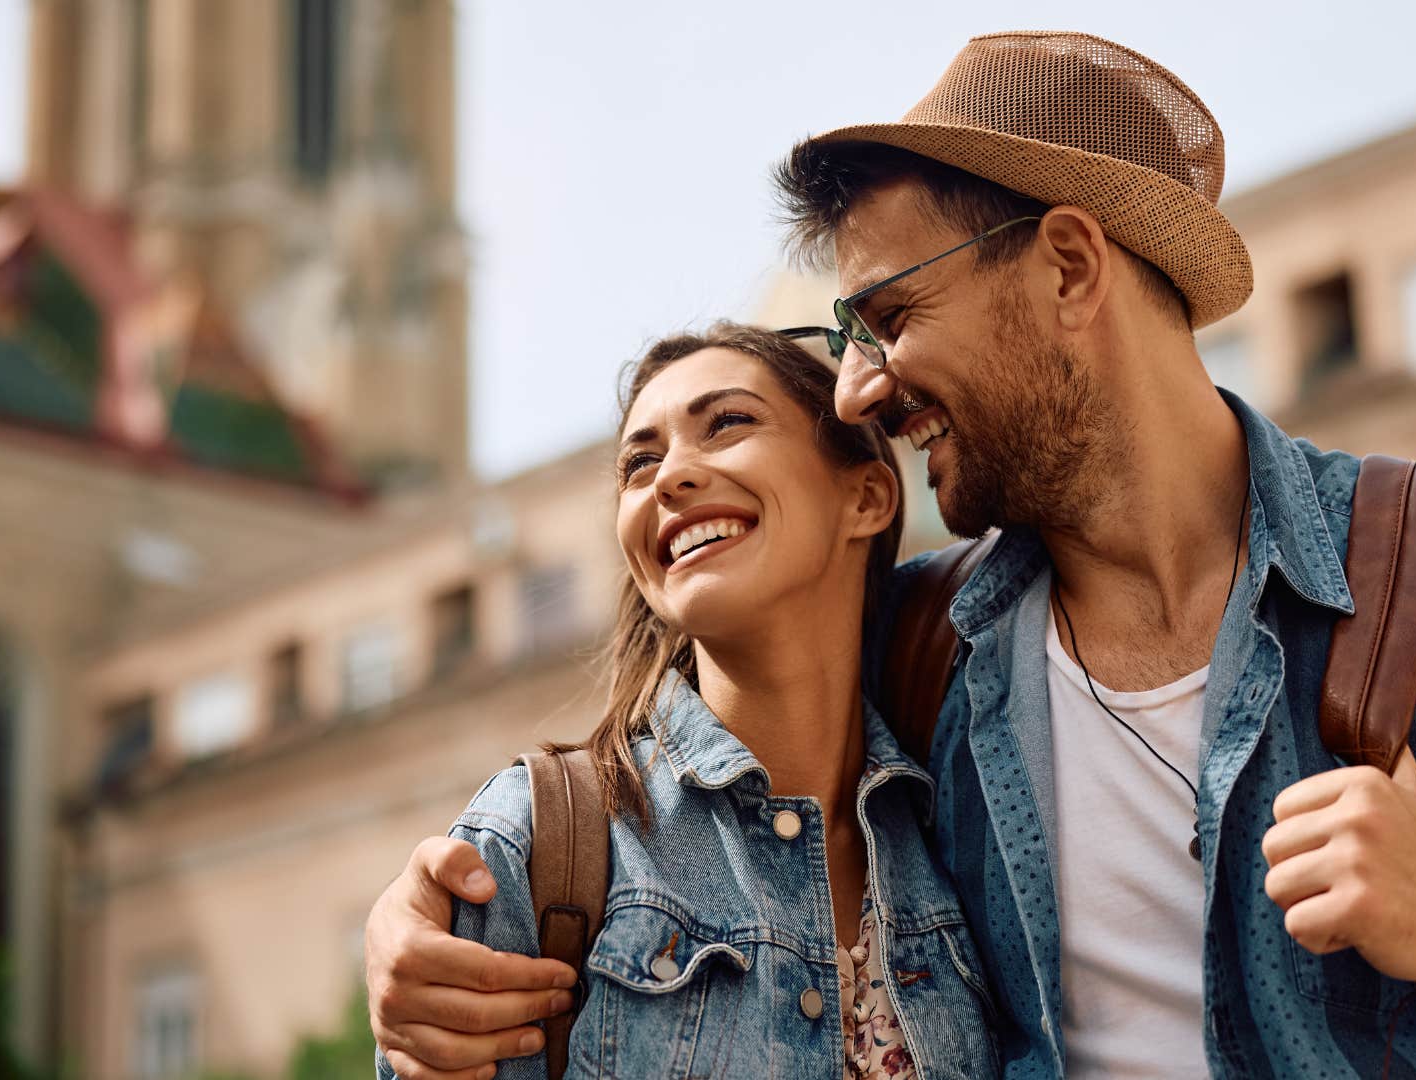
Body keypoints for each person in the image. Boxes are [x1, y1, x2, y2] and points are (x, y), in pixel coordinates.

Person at [366, 32, 1416, 1079]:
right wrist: (415, 925)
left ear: (1069, 268)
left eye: (888, 318)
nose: (862, 390)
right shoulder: (925, 654)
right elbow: (680, 780)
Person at [372, 325, 1001, 1079]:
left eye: (728, 423)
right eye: (640, 462)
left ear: (864, 496)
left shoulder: (961, 824)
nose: (669, 476)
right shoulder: (538, 840)